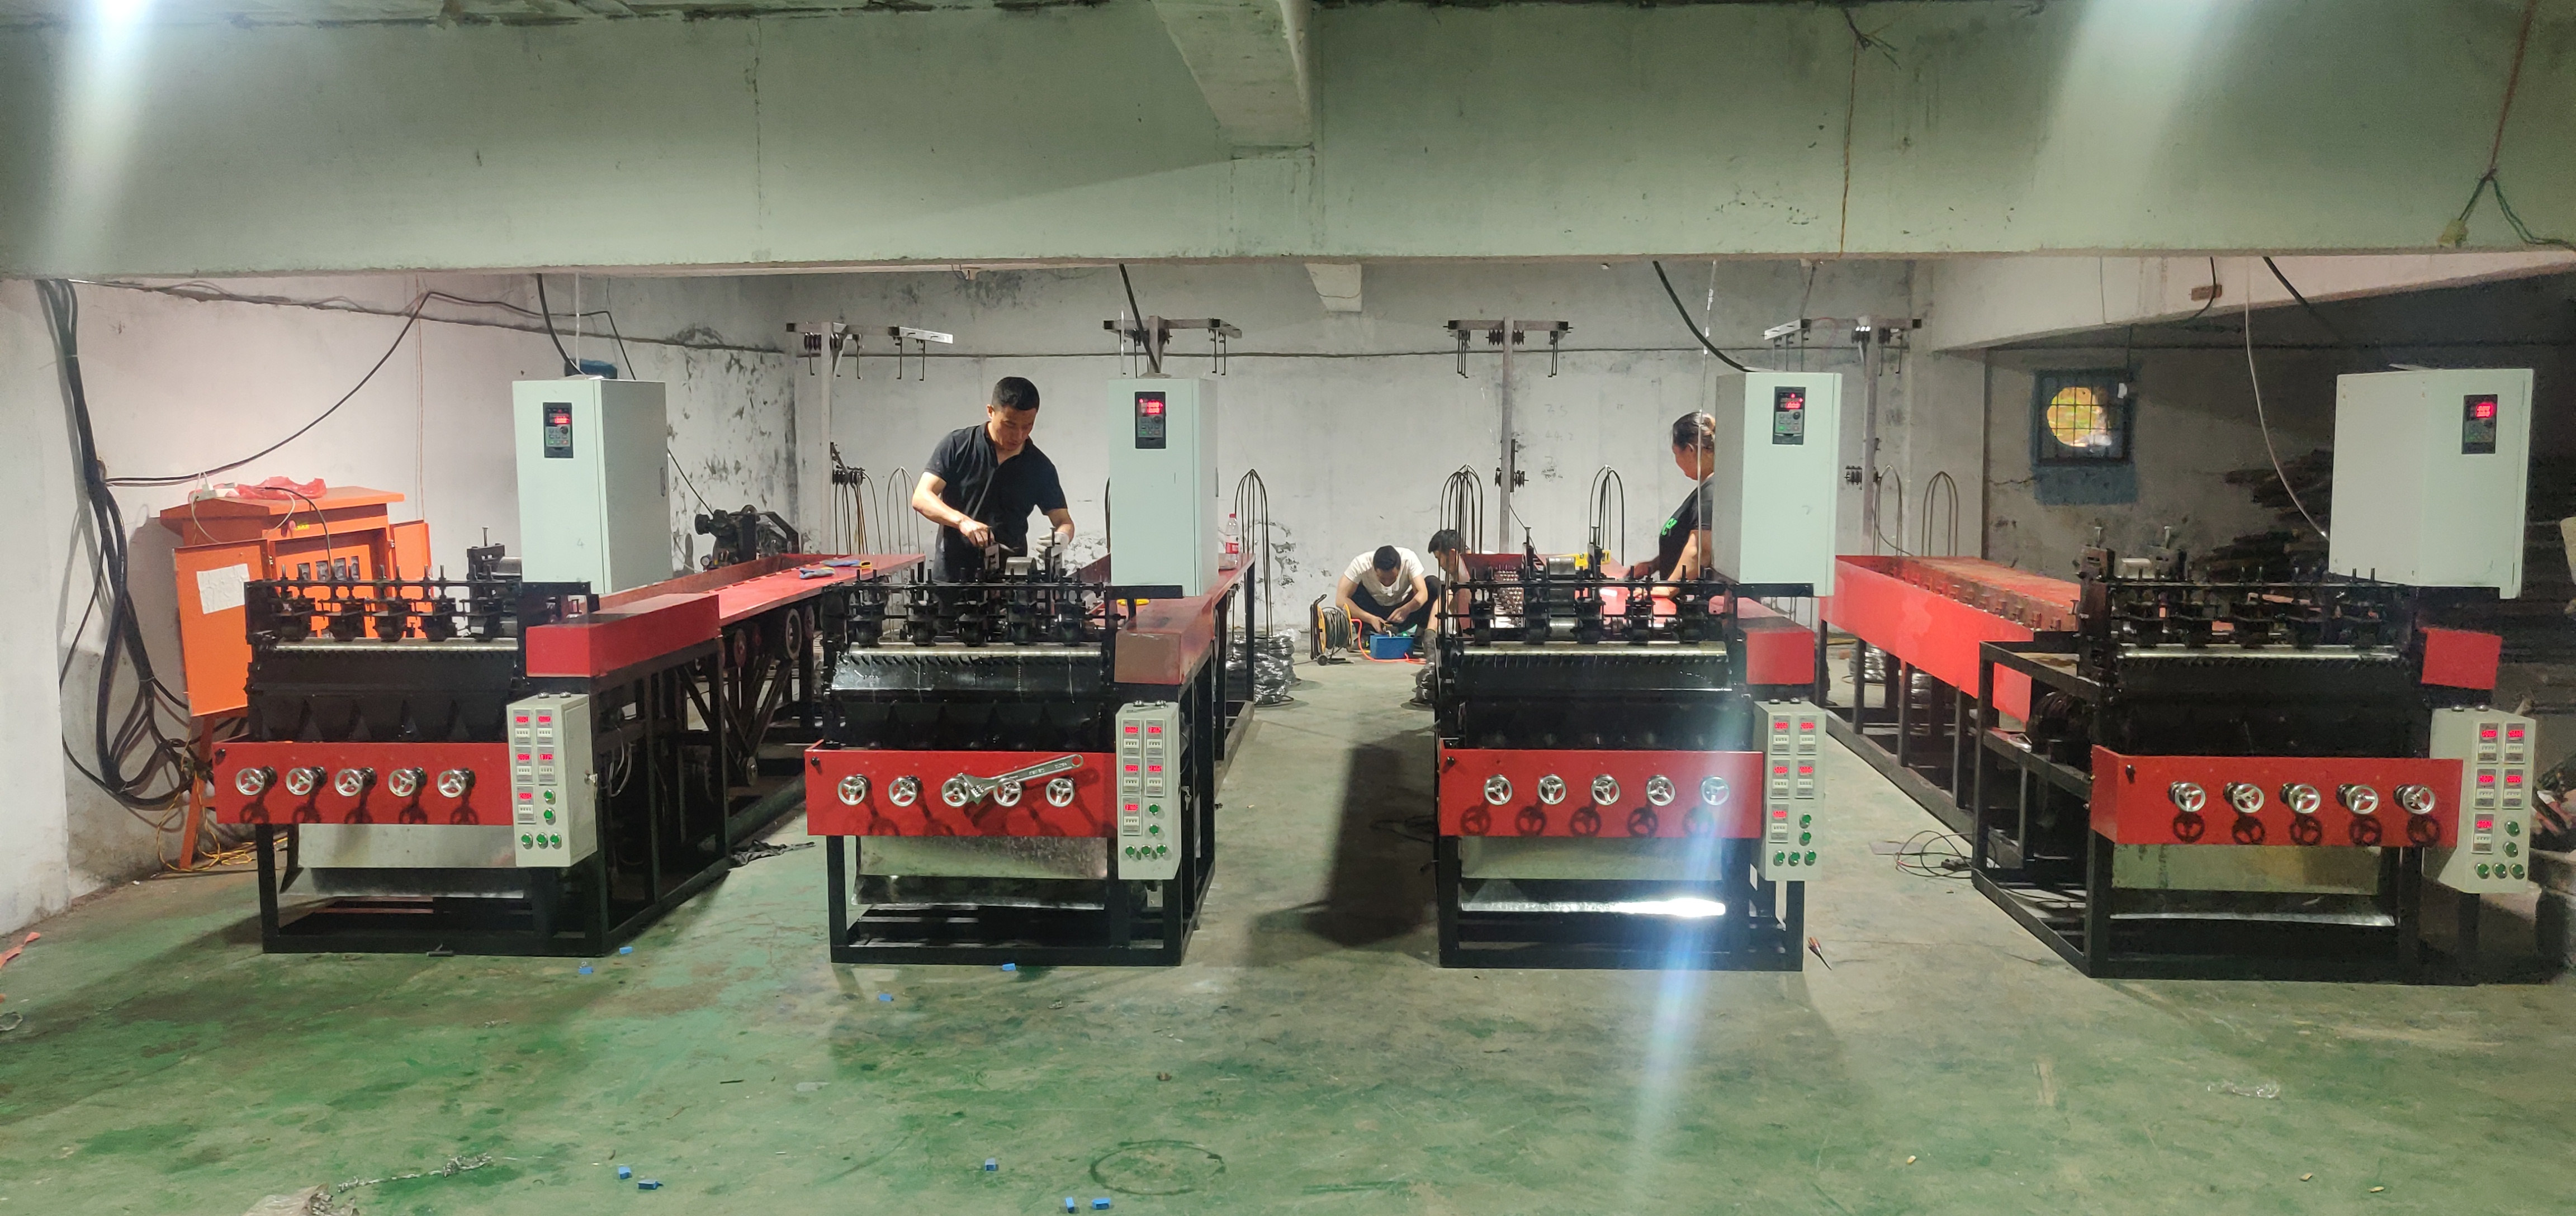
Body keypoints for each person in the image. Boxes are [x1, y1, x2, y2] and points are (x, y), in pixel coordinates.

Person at [911, 377, 1074, 581]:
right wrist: (962, 522)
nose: (1019, 435)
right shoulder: (958, 446)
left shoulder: (1039, 467)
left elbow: (1064, 521)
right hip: (953, 577)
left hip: (1010, 580)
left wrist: (1062, 537)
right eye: (1010, 425)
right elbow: (921, 497)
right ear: (991, 412)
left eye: (1028, 426)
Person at [1635, 410, 1718, 581]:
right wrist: (1655, 564)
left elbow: (1700, 550)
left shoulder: (1712, 490)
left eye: (1676, 453)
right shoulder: (1705, 489)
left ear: (1690, 450)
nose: (1677, 461)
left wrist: (1668, 588)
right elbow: (1683, 542)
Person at [1337, 544, 1431, 636]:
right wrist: (1370, 618)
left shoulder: (1409, 559)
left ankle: (1421, 636)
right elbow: (1340, 600)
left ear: (1400, 568)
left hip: (1403, 613)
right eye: (1382, 578)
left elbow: (1423, 594)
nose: (1387, 583)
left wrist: (1407, 609)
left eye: (1393, 578)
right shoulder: (1361, 564)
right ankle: (1365, 635)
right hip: (1372, 612)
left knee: (1431, 584)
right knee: (1352, 590)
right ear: (1374, 569)